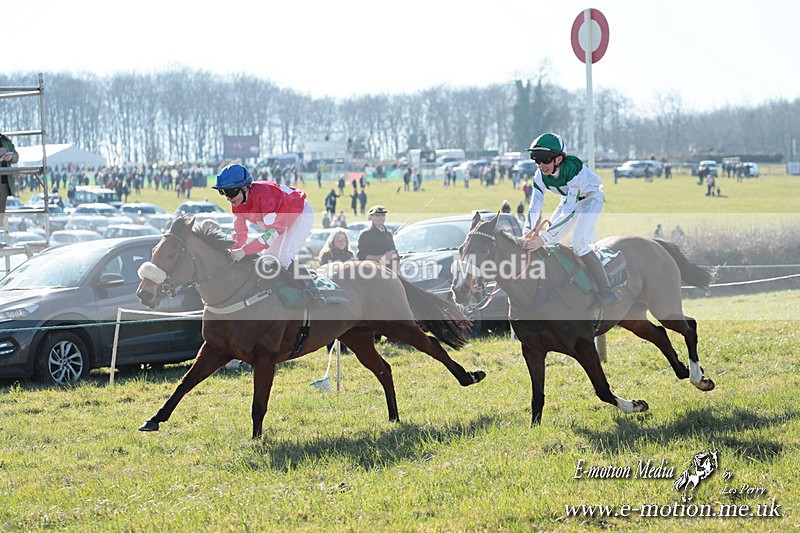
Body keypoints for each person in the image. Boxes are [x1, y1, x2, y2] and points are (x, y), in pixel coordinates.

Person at [522, 132, 621, 307]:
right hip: (569, 199)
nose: (540, 165)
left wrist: (542, 238)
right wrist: (527, 232)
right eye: (536, 160)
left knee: (578, 243)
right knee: (548, 243)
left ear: (558, 159)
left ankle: (607, 292)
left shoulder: (573, 169)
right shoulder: (539, 175)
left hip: (590, 200)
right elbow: (535, 205)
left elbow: (569, 212)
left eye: (545, 160)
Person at [212, 162, 323, 307]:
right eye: (223, 193)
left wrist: (244, 251)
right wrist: (233, 250)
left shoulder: (265, 195)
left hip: (301, 213)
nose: (228, 198)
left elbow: (271, 235)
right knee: (267, 260)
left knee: (284, 257)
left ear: (245, 187)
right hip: (281, 222)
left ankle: (315, 293)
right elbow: (240, 233)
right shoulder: (237, 205)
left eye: (230, 192)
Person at [357, 205, 399, 270]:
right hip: (373, 272)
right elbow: (362, 256)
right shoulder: (366, 234)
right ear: (371, 217)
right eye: (377, 215)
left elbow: (394, 253)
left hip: (390, 271)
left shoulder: (388, 234)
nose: (380, 218)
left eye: (383, 215)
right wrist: (383, 257)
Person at [0, 133, 20, 214]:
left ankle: (0, 225)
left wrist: (11, 157)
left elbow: (16, 156)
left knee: (1, 211)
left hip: (4, 182)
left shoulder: (5, 140)